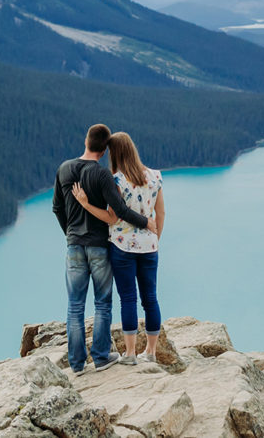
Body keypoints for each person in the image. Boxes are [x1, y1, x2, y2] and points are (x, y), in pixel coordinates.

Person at [53, 123, 152, 373]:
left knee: (75, 305)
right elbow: (119, 211)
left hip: (74, 246)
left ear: (86, 141)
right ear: (104, 151)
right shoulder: (102, 175)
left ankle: (76, 364)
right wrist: (146, 223)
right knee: (102, 303)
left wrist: (71, 235)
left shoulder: (64, 169)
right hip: (98, 246)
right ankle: (100, 357)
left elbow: (57, 208)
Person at [72, 131, 164, 363]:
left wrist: (85, 205)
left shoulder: (117, 180)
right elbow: (160, 212)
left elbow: (112, 217)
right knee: (150, 298)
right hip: (149, 247)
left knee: (128, 299)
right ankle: (151, 353)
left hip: (123, 248)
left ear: (115, 154)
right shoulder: (155, 177)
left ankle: (131, 354)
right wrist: (155, 240)